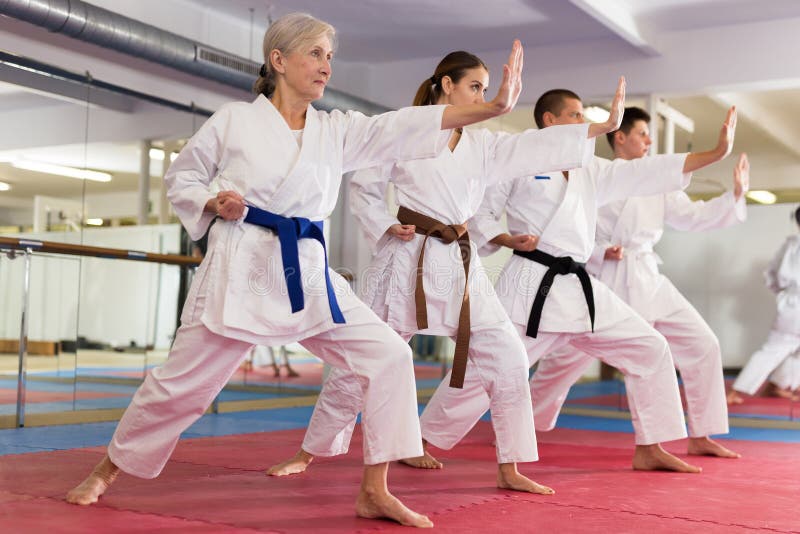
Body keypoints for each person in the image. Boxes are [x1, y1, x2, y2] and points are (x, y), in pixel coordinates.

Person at [65, 13, 531, 528]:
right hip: (240, 270)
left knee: (388, 354)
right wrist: (211, 200)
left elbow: (397, 127)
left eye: (330, 56)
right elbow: (184, 177)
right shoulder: (234, 121)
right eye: (314, 53)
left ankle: (374, 489)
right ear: (279, 60)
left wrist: (492, 108)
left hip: (308, 274)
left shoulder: (336, 130)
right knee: (181, 386)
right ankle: (106, 471)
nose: (325, 65)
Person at [266, 53, 626, 495]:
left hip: (460, 263)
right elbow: (364, 187)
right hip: (406, 260)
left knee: (508, 356)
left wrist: (600, 128)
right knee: (364, 364)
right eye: (475, 86)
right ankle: (309, 451)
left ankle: (510, 464)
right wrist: (384, 226)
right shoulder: (406, 127)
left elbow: (533, 147)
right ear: (447, 85)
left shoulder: (482, 145)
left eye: (484, 88)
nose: (481, 95)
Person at [458, 91, 737, 473]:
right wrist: (596, 249)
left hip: (622, 279)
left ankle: (659, 442)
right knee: (525, 362)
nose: (582, 121)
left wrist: (715, 157)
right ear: (551, 121)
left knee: (664, 347)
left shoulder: (597, 171)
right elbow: (494, 216)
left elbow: (661, 187)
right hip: (564, 276)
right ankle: (440, 432)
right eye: (575, 114)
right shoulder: (525, 159)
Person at [529, 110, 749, 459]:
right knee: (564, 361)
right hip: (605, 279)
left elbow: (692, 217)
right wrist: (600, 252)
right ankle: (523, 425)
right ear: (620, 137)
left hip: (648, 274)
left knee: (703, 344)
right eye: (643, 134)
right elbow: (570, 225)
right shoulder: (595, 173)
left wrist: (734, 197)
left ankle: (701, 434)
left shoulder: (656, 181)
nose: (648, 141)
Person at [727, 206, 800, 405]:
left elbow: (771, 275)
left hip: (790, 304)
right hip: (796, 306)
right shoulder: (791, 245)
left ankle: (777, 385)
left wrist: (783, 294)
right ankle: (736, 391)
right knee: (775, 349)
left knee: (789, 349)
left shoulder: (790, 244)